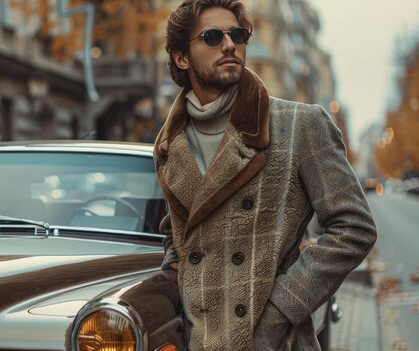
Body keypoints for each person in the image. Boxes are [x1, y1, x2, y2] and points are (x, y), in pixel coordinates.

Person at [153, 1, 377, 350]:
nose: (229, 44)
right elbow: (178, 239)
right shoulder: (170, 144)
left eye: (237, 34)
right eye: (212, 37)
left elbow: (355, 227)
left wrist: (278, 310)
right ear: (182, 57)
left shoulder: (299, 125)